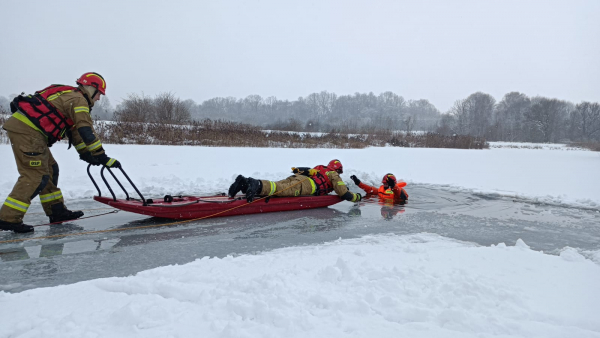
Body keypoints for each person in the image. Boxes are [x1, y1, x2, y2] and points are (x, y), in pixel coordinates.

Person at [0, 72, 120, 233]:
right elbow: (86, 130)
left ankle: (56, 212)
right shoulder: (79, 101)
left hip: (31, 132)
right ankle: (8, 218)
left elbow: (75, 131)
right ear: (91, 88)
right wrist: (101, 156)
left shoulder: (69, 95)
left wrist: (85, 153)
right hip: (28, 132)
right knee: (35, 176)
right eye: (99, 94)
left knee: (50, 170)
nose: (98, 98)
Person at [228, 159, 362, 203]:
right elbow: (343, 193)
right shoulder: (334, 175)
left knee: (277, 186)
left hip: (298, 179)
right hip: (306, 185)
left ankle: (245, 184)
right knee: (279, 190)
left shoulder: (320, 168)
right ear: (338, 169)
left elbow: (302, 171)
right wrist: (357, 197)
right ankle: (255, 184)